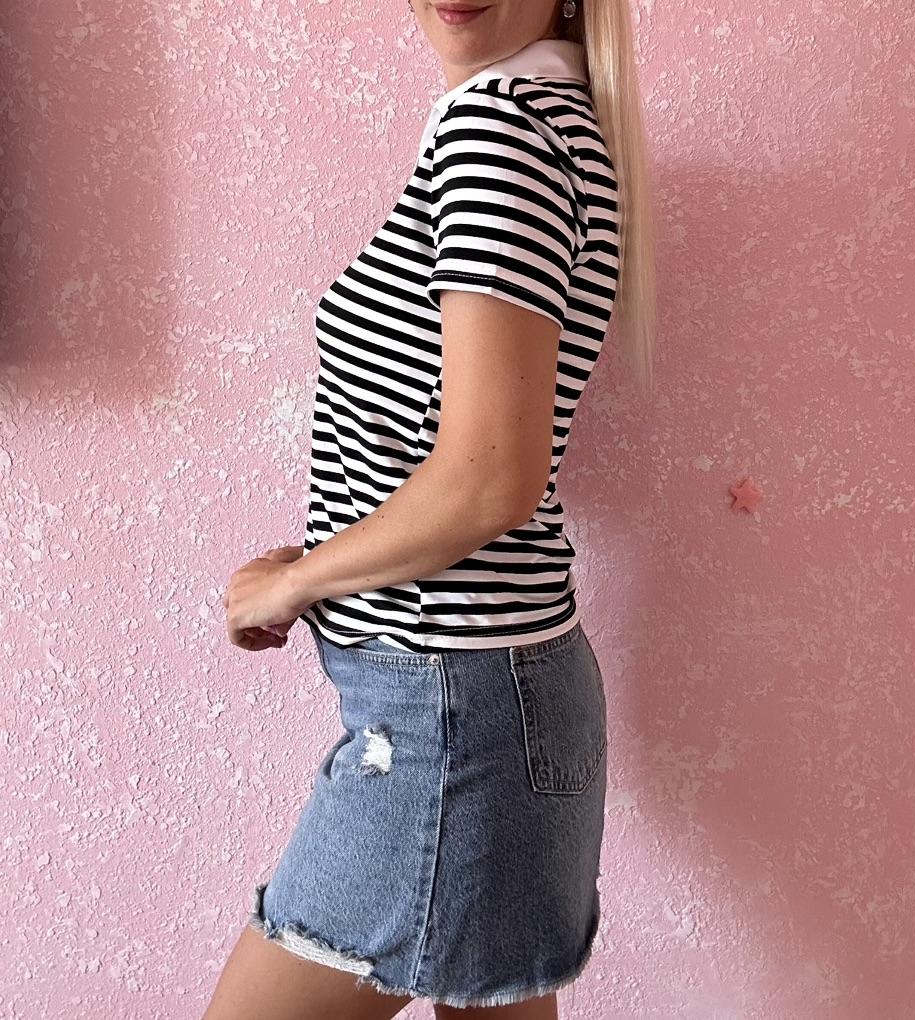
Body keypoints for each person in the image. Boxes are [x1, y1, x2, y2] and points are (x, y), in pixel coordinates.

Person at [205, 1, 655, 1017]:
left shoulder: (501, 130)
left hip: (449, 713)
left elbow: (488, 479)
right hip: (493, 695)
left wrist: (297, 581)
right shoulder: (552, 119)